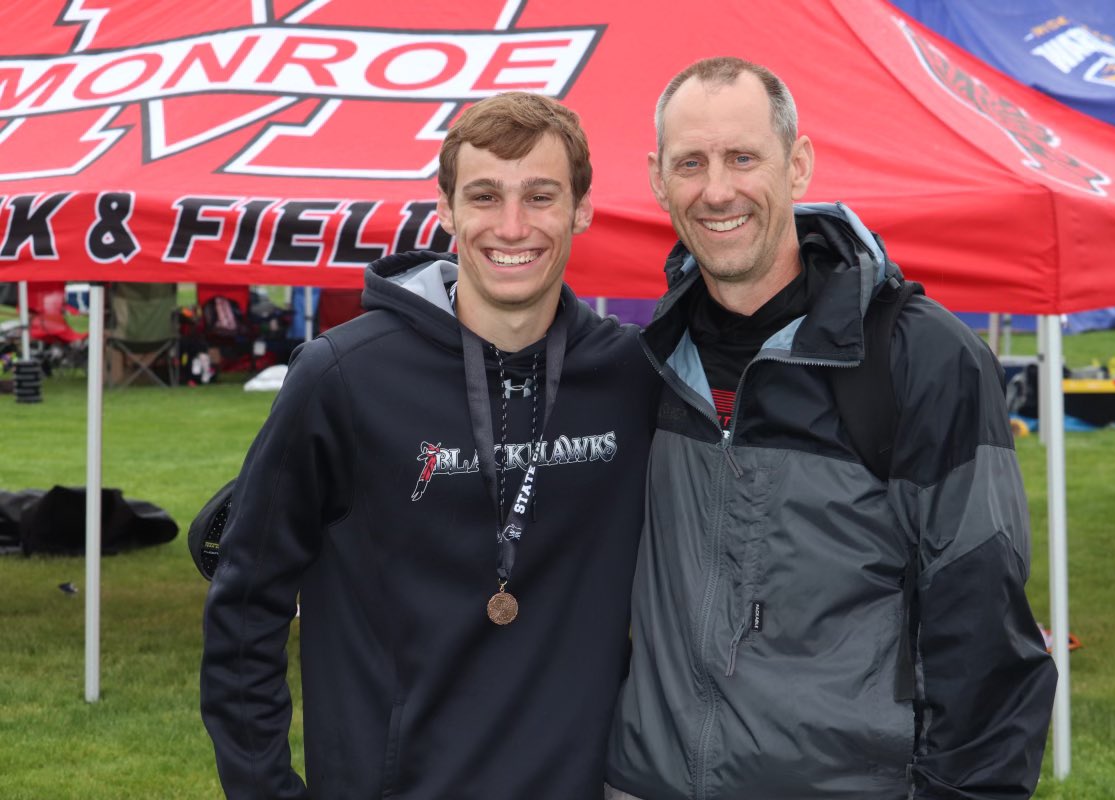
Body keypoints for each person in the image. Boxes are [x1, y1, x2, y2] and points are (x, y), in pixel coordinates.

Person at [606, 57, 1057, 799]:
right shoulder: (645, 362)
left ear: (799, 164)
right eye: (692, 162)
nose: (717, 189)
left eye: (743, 157)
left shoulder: (922, 360)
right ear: (658, 178)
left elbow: (984, 641)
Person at [200, 92, 659, 799]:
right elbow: (245, 605)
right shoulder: (344, 376)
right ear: (444, 209)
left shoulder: (631, 377)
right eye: (484, 196)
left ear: (582, 208)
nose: (513, 226)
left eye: (541, 196)